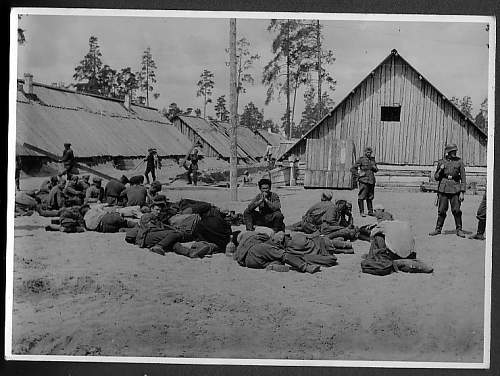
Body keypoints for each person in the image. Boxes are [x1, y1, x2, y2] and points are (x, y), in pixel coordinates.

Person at [361, 220, 433, 276]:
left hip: (393, 254)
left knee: (378, 237)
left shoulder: (384, 225)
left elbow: (372, 234)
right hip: (410, 253)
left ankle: (373, 258)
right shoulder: (405, 223)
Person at [233, 231, 321, 273]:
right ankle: (305, 267)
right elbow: (266, 237)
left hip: (249, 262)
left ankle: (272, 266)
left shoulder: (239, 247)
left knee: (277, 260)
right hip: (257, 249)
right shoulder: (249, 234)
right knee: (282, 255)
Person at [429, 143, 467, 238]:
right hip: (443, 189)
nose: (454, 153)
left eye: (455, 151)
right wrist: (440, 170)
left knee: (456, 210)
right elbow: (436, 177)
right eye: (452, 151)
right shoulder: (441, 162)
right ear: (448, 152)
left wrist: (462, 192)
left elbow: (463, 178)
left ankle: (459, 229)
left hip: (455, 189)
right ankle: (438, 229)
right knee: (441, 210)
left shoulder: (459, 162)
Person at [351, 146, 378, 217]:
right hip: (363, 180)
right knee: (361, 196)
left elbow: (376, 170)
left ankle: (370, 211)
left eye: (370, 152)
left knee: (370, 196)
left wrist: (374, 167)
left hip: (371, 180)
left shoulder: (372, 159)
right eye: (367, 152)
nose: (368, 153)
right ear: (365, 152)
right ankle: (361, 212)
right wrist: (358, 175)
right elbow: (353, 168)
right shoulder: (361, 159)